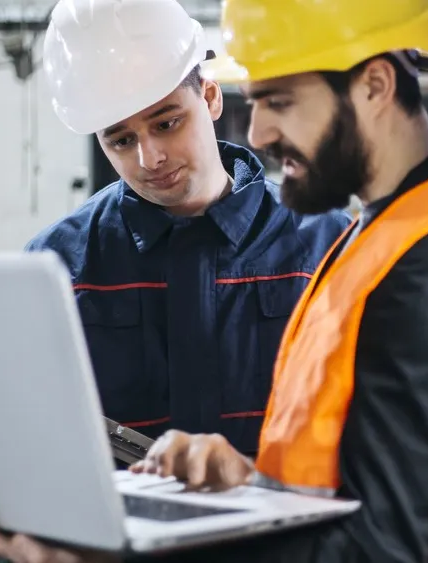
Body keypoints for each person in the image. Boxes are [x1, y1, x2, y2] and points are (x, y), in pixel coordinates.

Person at [0, 0, 428, 562]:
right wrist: (248, 483)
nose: (258, 132)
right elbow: (347, 485)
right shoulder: (380, 242)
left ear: (375, 85)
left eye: (279, 101)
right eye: (121, 138)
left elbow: (379, 547)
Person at [21, 0, 350, 456]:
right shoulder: (56, 265)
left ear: (211, 98)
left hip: (289, 524)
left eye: (167, 123)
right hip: (125, 527)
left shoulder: (325, 242)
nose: (148, 158)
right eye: (121, 139)